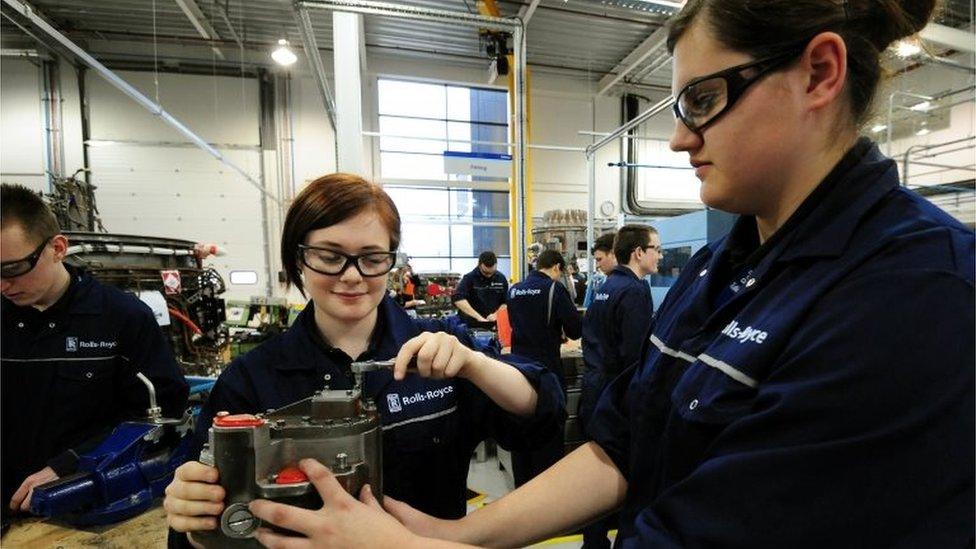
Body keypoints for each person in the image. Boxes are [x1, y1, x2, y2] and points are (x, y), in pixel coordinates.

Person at [242, 1, 975, 547]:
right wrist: (451, 536)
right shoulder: (728, 264)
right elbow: (622, 441)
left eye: (704, 100)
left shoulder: (916, 295)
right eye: (329, 257)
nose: (681, 136)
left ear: (818, 73)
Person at [162, 174, 564, 547]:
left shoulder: (442, 351)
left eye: (371, 258)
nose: (352, 275)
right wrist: (193, 509)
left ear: (391, 259)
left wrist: (476, 365)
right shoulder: (251, 380)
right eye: (329, 255)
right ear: (298, 258)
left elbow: (542, 414)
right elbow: (202, 522)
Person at [0, 183, 188, 517]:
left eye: (13, 268)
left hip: (83, 506)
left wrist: (72, 465)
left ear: (58, 247)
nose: (2, 285)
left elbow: (156, 417)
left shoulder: (122, 319)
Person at [576, 224, 660, 548]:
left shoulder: (605, 284)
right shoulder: (636, 291)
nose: (660, 256)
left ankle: (593, 541)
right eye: (656, 249)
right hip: (616, 390)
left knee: (598, 468)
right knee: (626, 469)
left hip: (594, 385)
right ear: (639, 252)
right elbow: (635, 356)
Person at [505, 250, 582, 487]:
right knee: (548, 433)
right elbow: (575, 330)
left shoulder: (515, 289)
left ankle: (522, 488)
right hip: (545, 371)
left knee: (522, 429)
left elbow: (516, 324)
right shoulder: (553, 289)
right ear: (557, 267)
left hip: (517, 370)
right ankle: (548, 491)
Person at [452, 250, 508, 328]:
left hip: (494, 324)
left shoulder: (501, 278)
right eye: (485, 273)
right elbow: (458, 299)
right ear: (479, 265)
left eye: (492, 272)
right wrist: (478, 317)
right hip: (471, 324)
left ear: (496, 265)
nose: (489, 275)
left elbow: (505, 302)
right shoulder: (469, 278)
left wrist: (497, 314)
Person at [582, 232, 617, 308]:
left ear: (613, 254)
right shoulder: (599, 282)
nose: (597, 265)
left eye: (599, 259)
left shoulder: (631, 286)